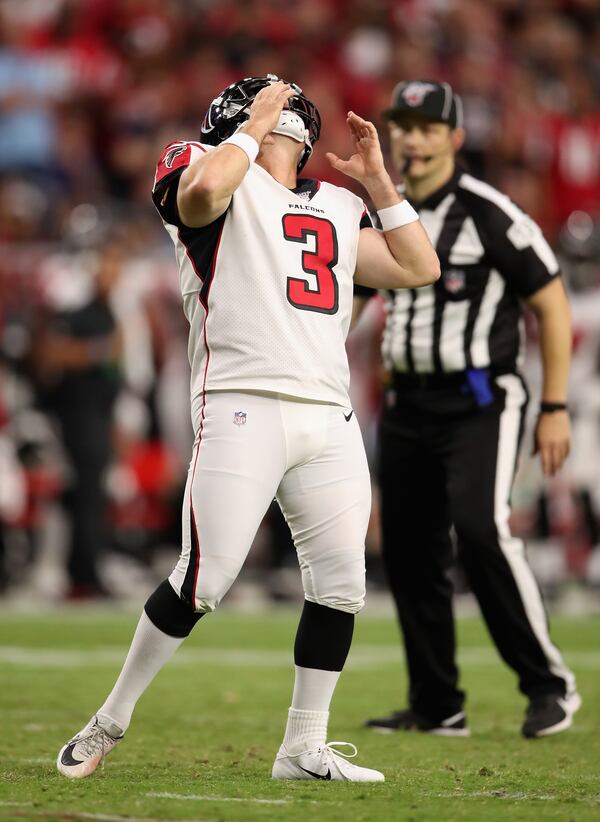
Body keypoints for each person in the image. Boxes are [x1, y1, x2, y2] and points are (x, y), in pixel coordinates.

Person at [56, 74, 439, 782]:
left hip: (328, 413)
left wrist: (383, 184)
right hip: (241, 401)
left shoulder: (338, 203)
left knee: (342, 585)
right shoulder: (202, 165)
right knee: (204, 578)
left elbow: (419, 264)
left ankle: (303, 746)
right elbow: (204, 196)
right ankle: (111, 717)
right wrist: (250, 130)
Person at [356, 81, 580, 740]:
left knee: (480, 529)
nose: (415, 139)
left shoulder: (490, 213)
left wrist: (556, 405)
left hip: (480, 398)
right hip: (405, 401)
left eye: (429, 127)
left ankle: (548, 685)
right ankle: (436, 703)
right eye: (405, 126)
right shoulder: (382, 214)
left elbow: (551, 302)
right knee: (409, 552)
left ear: (455, 139)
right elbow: (352, 303)